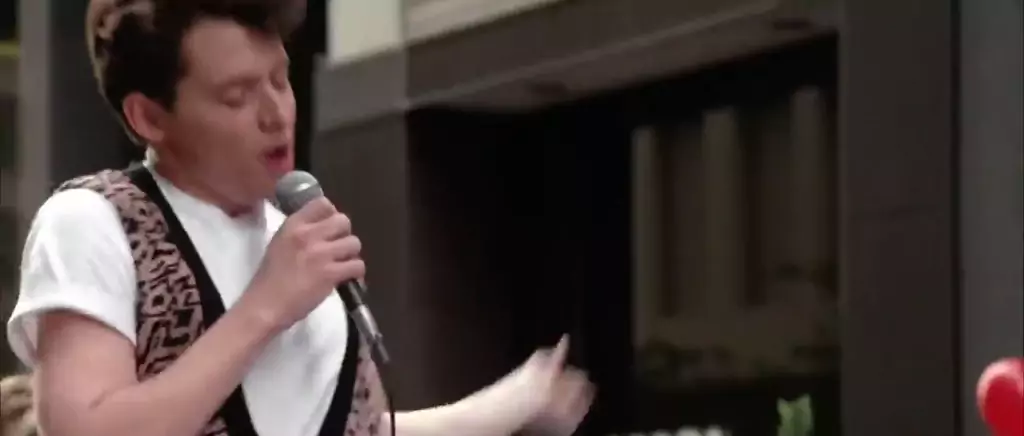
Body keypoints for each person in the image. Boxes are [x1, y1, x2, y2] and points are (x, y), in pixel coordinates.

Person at [4, 1, 594, 435]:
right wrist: (266, 306)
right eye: (237, 96)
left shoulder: (294, 236)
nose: (276, 113)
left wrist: (507, 406)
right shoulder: (95, 220)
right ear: (150, 117)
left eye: (280, 80)